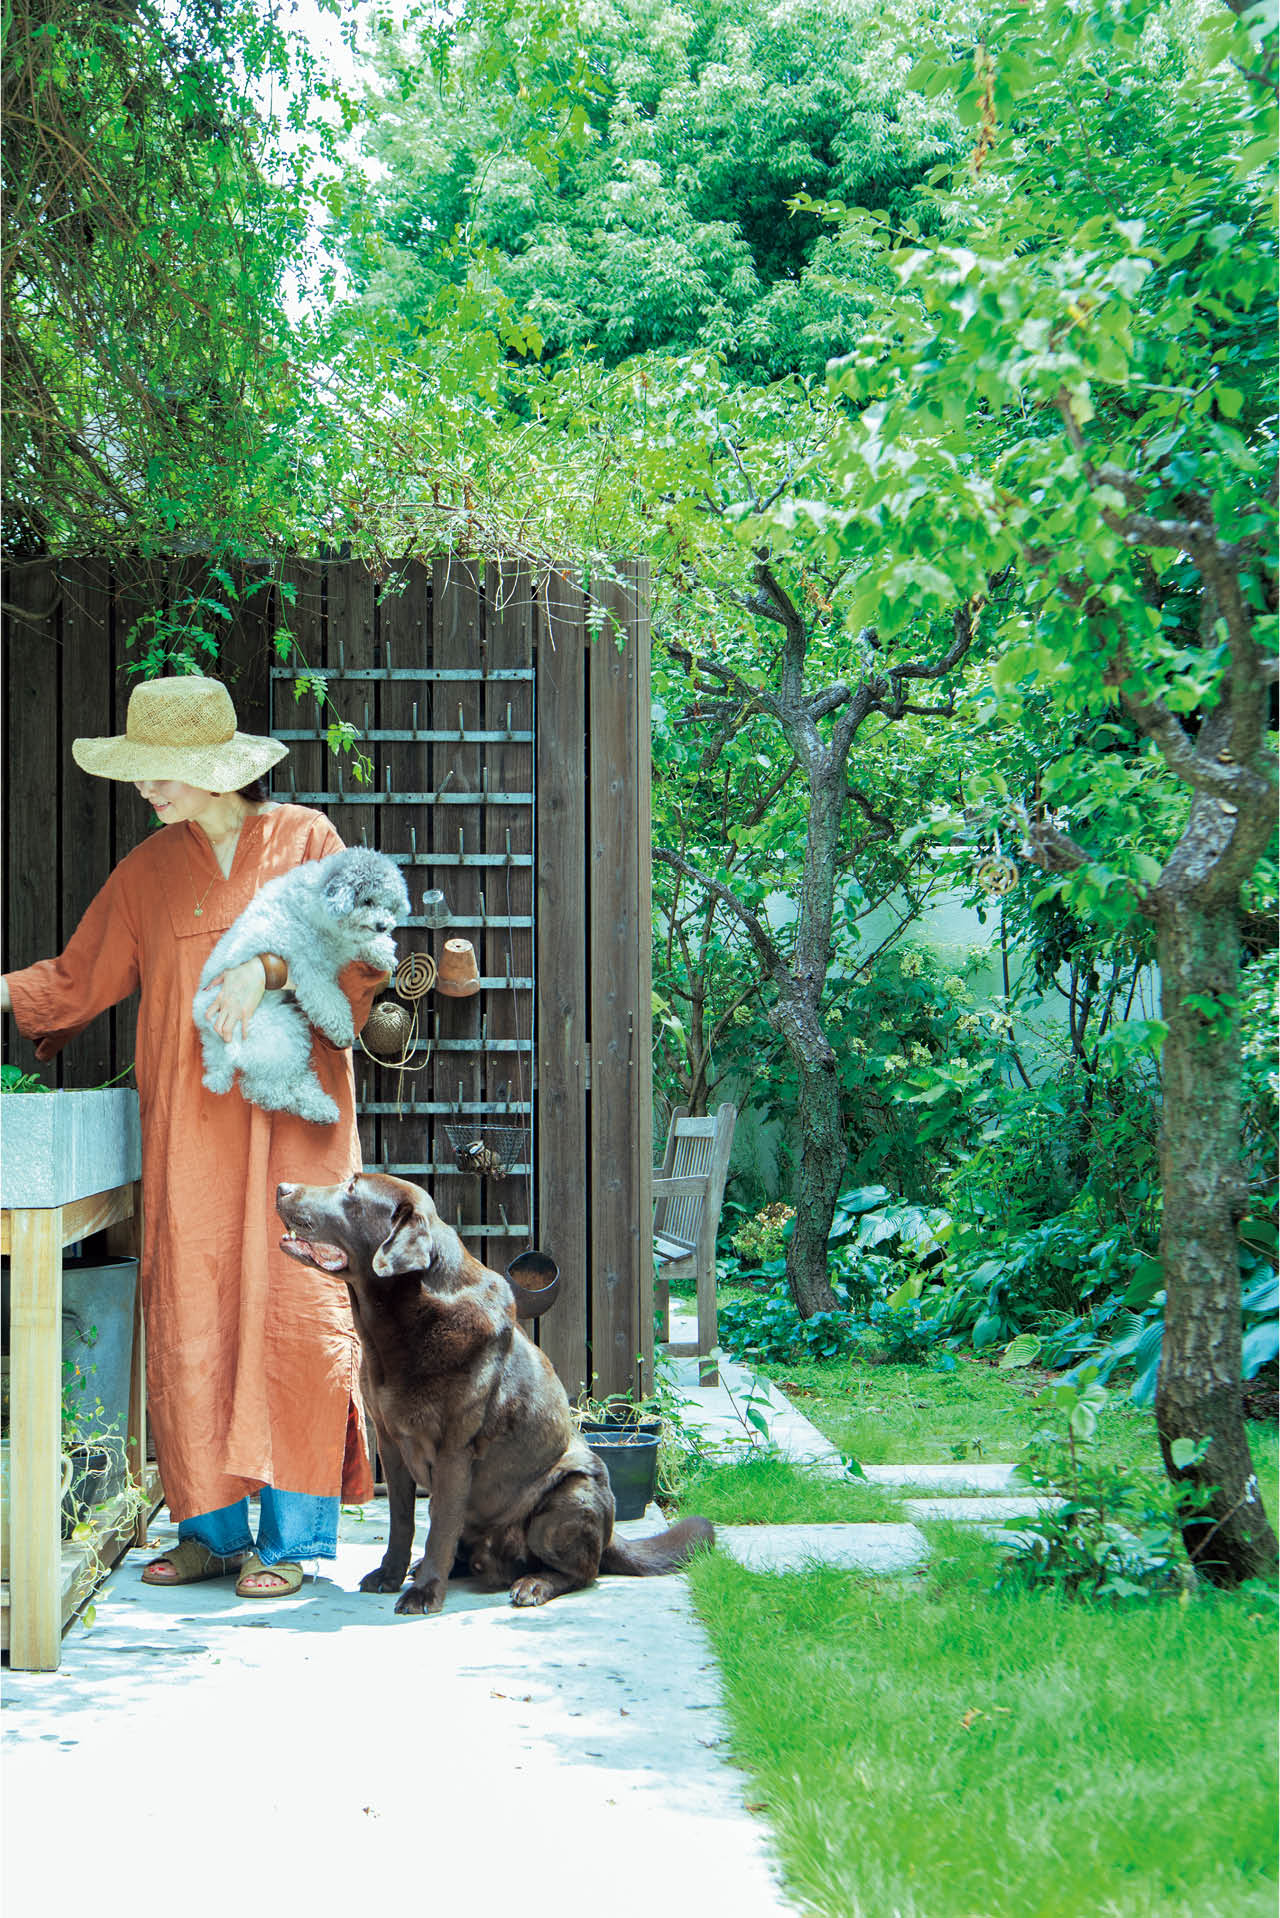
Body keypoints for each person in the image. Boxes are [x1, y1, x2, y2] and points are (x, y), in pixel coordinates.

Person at [1, 674, 381, 1597]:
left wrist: (271, 968)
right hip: (190, 1135)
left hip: (296, 1128)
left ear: (215, 769)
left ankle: (289, 1544)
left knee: (294, 1309)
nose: (143, 788)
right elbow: (77, 977)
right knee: (192, 1312)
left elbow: (362, 957)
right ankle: (209, 1530)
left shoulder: (304, 841)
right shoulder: (146, 872)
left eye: (156, 772)